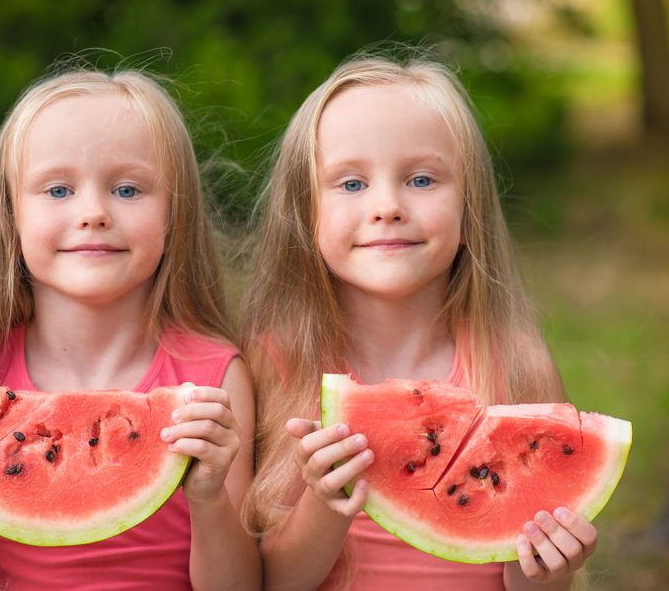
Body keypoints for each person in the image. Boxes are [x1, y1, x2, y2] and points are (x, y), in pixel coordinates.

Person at [0, 69, 260, 591]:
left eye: (128, 189)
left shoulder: (213, 379)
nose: (93, 213)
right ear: (9, 214)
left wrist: (210, 497)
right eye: (58, 189)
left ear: (175, 213)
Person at [243, 55, 595, 590]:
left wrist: (547, 569)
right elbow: (270, 583)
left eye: (422, 179)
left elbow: (526, 577)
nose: (387, 205)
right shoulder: (277, 361)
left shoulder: (515, 362)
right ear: (304, 210)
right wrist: (324, 505)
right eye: (352, 183)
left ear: (469, 207)